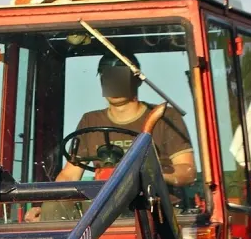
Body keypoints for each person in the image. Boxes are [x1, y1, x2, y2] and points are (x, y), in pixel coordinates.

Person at [27, 53, 196, 221]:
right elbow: (69, 175)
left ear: (137, 79)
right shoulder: (90, 121)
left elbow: (187, 171)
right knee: (53, 208)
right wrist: (45, 207)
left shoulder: (164, 118)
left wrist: (146, 175)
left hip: (157, 212)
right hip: (104, 210)